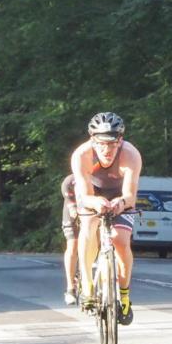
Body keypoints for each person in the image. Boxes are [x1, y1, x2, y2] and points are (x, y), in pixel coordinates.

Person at [70, 112, 142, 324]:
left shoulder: (131, 154)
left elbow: (130, 195)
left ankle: (125, 295)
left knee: (120, 239)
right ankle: (88, 285)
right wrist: (95, 202)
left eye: (112, 144)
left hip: (120, 196)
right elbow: (84, 194)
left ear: (120, 140)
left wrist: (120, 203)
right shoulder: (81, 155)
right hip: (92, 195)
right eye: (101, 144)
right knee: (88, 227)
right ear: (93, 139)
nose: (107, 150)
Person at [60, 174, 79, 306]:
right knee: (73, 245)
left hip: (93, 211)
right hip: (73, 211)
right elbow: (69, 200)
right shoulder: (70, 181)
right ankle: (70, 287)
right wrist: (73, 209)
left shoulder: (101, 177)